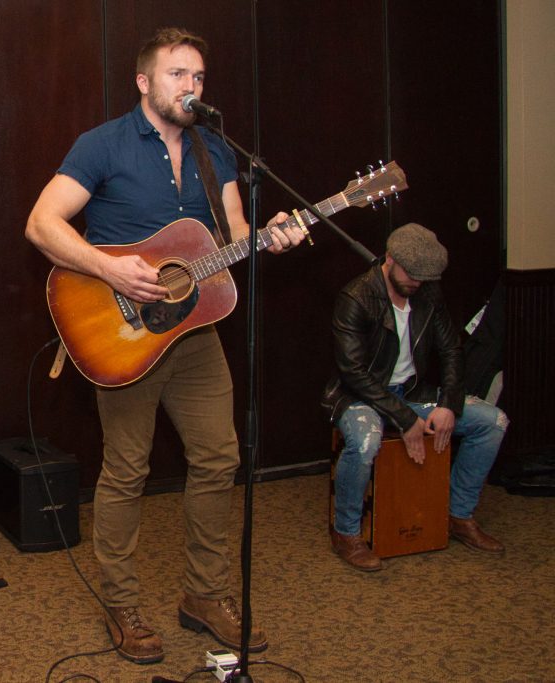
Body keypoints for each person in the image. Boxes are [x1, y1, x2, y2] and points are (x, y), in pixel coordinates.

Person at [25, 28, 304, 663]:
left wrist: (270, 234)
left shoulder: (215, 149)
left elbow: (233, 234)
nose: (191, 86)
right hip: (121, 331)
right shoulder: (103, 144)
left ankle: (204, 595)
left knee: (219, 458)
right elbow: (41, 224)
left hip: (196, 330)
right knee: (127, 469)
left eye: (198, 76)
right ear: (144, 82)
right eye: (178, 74)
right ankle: (121, 605)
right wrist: (108, 268)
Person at [322, 223, 509, 572]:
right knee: (365, 441)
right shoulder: (356, 297)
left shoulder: (428, 293)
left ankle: (458, 515)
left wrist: (449, 404)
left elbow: (451, 350)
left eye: (424, 278)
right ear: (390, 258)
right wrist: (406, 419)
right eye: (411, 274)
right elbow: (354, 373)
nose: (417, 283)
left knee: (493, 422)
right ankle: (346, 533)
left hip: (411, 392)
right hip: (359, 396)